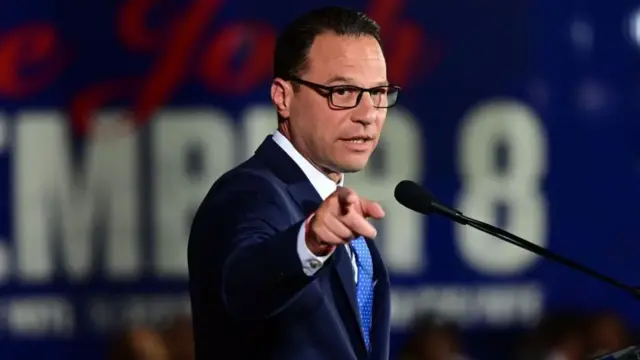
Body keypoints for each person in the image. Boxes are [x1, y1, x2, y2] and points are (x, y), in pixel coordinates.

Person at [187, 6, 400, 360]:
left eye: (378, 92)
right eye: (343, 92)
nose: (367, 114)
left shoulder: (338, 212)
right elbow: (240, 287)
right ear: (283, 97)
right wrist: (309, 241)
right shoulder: (249, 194)